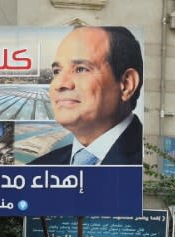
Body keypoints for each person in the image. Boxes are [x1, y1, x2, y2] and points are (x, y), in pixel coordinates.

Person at [30, 26, 143, 166]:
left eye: (81, 69)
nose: (59, 84)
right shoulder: (38, 168)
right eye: (57, 71)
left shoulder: (149, 161)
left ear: (126, 84)